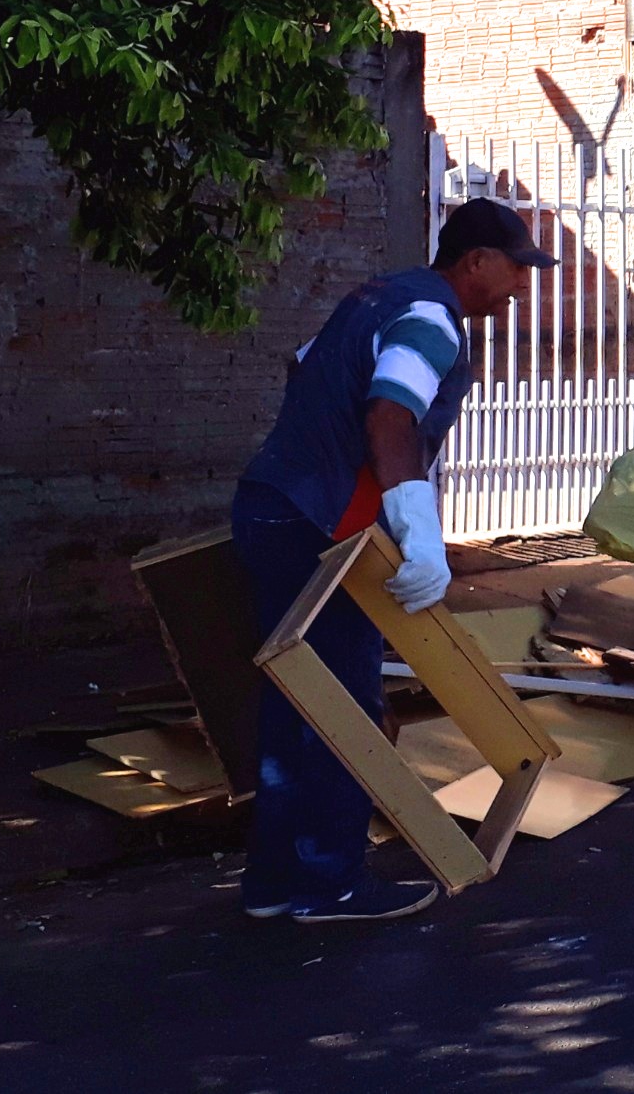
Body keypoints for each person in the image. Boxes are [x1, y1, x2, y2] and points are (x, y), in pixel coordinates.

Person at [231, 197, 548, 922]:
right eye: (515, 268)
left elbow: (305, 363)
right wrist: (416, 524)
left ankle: (274, 883)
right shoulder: (430, 318)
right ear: (475, 261)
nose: (521, 285)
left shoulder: (380, 296)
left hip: (273, 505)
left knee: (296, 702)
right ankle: (332, 884)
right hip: (316, 527)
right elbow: (391, 413)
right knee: (345, 703)